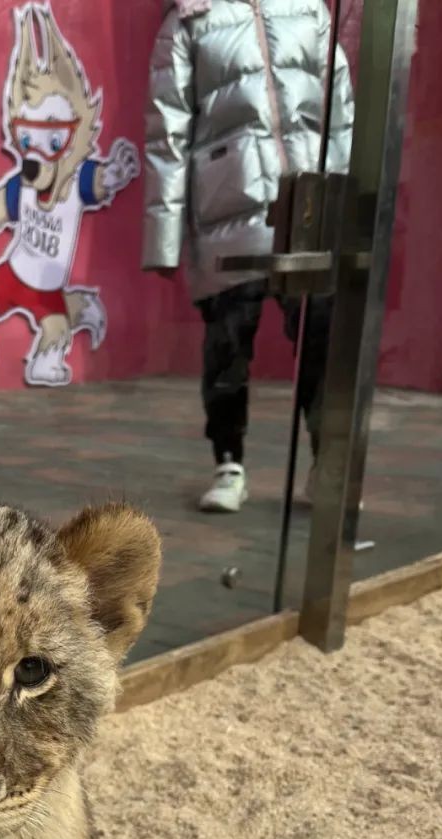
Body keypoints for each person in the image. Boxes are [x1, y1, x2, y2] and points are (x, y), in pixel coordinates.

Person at [142, 0, 354, 513]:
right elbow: (165, 134)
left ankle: (327, 464)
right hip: (224, 211)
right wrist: (163, 239)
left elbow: (341, 116)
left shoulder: (311, 12)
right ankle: (228, 463)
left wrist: (347, 214)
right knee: (227, 348)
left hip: (308, 210)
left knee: (323, 344)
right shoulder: (191, 20)